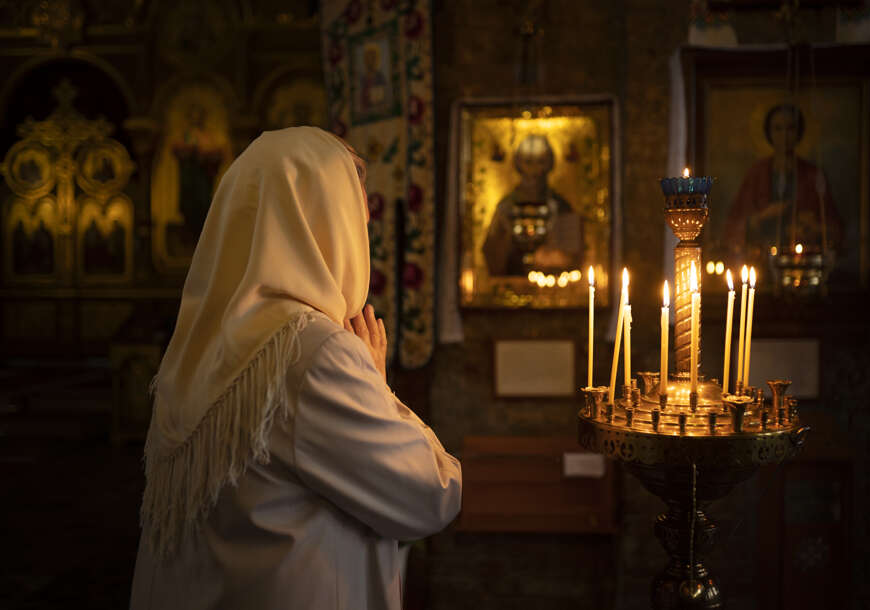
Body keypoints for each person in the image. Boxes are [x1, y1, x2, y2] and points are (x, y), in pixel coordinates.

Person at [130, 126, 461, 610]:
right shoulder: (316, 352)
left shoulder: (199, 342)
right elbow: (432, 496)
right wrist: (376, 384)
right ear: (328, 222)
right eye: (356, 215)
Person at [724, 103, 842, 269]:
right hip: (761, 264)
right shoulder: (756, 174)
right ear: (769, 133)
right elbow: (733, 226)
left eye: (790, 128)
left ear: (799, 132)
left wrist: (813, 228)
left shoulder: (813, 174)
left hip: (803, 265)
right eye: (778, 129)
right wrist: (762, 217)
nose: (784, 135)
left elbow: (834, 229)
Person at [481, 134, 584, 276]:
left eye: (541, 161)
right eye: (528, 162)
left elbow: (573, 256)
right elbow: (491, 254)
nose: (535, 170)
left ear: (549, 164)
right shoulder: (505, 208)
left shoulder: (561, 207)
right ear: (519, 164)